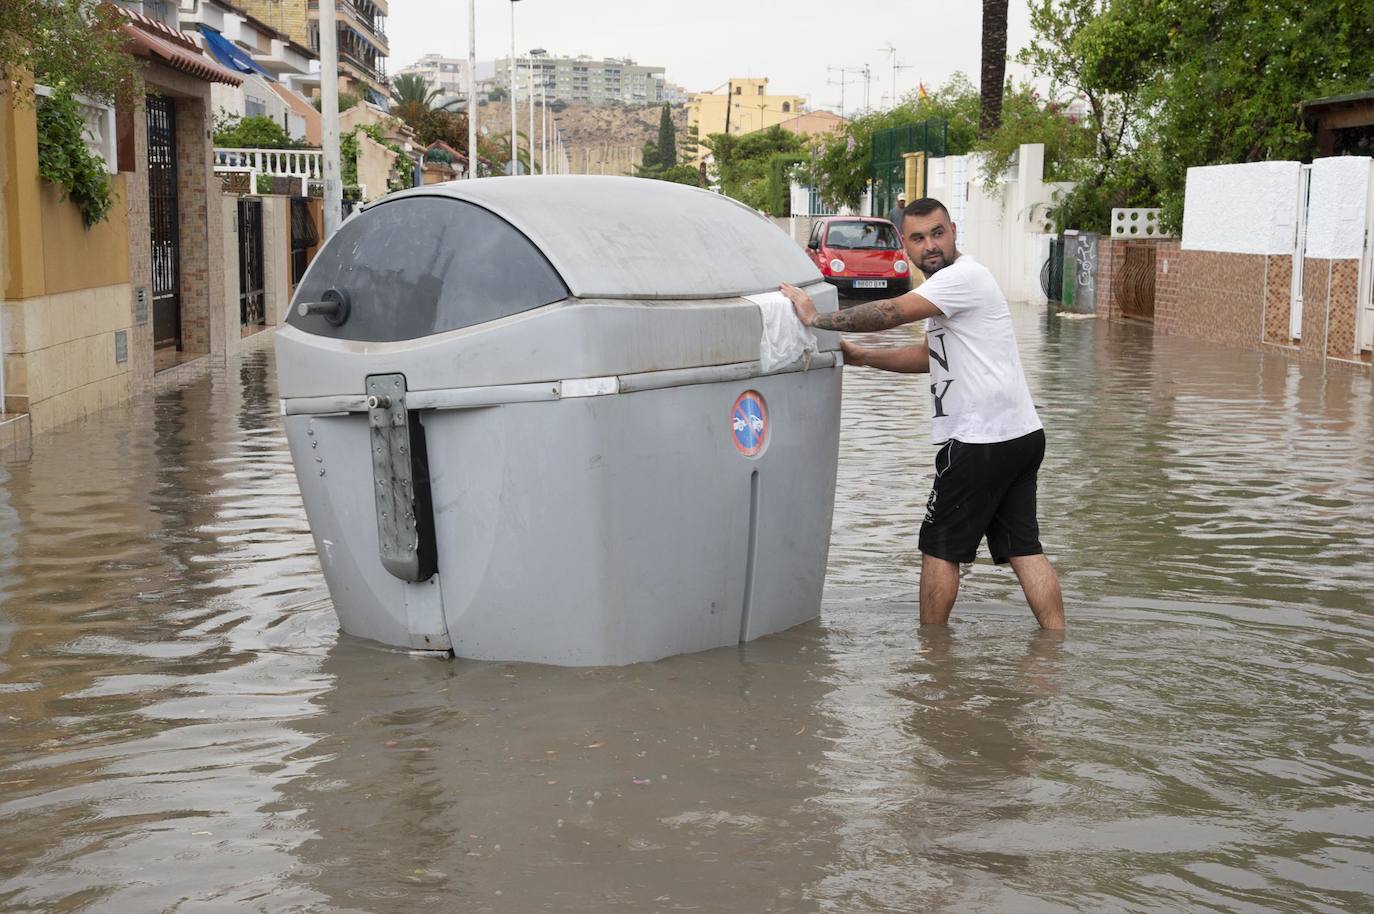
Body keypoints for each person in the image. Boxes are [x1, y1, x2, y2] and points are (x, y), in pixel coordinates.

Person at [780, 197, 1065, 630]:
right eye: (917, 238)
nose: (929, 245)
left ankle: (932, 659)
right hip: (1020, 436)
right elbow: (930, 356)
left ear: (953, 231)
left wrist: (816, 317)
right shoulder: (956, 285)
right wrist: (864, 358)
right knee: (1023, 546)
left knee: (940, 548)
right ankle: (1054, 647)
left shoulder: (960, 278)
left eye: (937, 233)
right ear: (906, 246)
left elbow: (890, 311)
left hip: (980, 441)